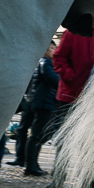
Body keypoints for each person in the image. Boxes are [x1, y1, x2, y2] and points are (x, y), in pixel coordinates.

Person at [52, 11, 94, 188]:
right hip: (71, 97)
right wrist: (70, 77)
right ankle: (62, 180)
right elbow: (58, 58)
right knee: (68, 143)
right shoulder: (73, 33)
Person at [16, 46, 61, 176]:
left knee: (39, 135)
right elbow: (53, 79)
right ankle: (30, 166)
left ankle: (33, 164)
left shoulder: (44, 63)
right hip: (43, 103)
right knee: (36, 135)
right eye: (52, 48)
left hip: (43, 102)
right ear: (45, 50)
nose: (54, 50)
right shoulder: (45, 63)